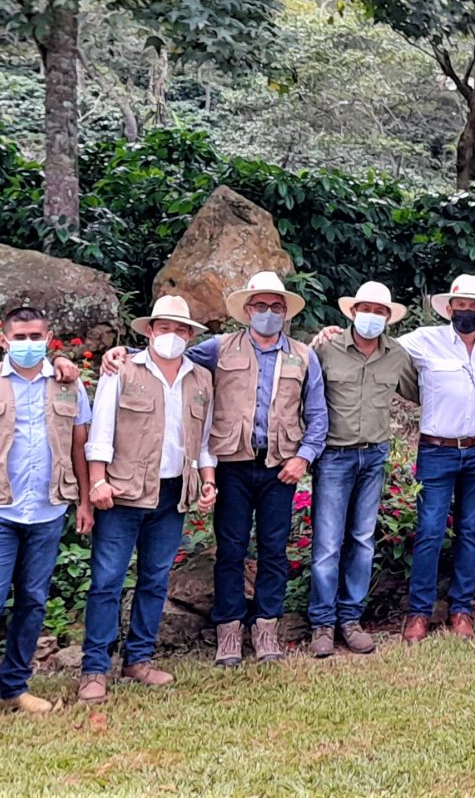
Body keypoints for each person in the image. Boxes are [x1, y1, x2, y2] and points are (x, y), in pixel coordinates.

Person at [0, 306, 93, 735]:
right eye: (20, 336)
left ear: (49, 338)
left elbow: (79, 445)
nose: (29, 343)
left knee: (32, 601)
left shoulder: (68, 384)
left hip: (48, 509)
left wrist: (84, 502)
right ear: (4, 340)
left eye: (37, 336)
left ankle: (14, 686)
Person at [76, 296, 218, 702]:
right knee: (106, 581)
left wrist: (208, 481)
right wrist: (97, 482)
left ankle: (139, 659)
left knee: (155, 581)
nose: (172, 336)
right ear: (150, 331)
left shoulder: (200, 380)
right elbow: (100, 431)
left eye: (180, 329)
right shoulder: (121, 370)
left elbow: (203, 439)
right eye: (164, 328)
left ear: (190, 335)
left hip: (172, 493)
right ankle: (95, 668)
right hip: (122, 493)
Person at [186, 271, 328, 665]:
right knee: (230, 549)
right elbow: (172, 359)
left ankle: (266, 627)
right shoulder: (219, 348)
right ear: (247, 310)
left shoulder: (303, 356)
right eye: (261, 306)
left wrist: (303, 457)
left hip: (279, 468)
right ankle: (229, 630)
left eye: (276, 307)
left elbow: (317, 415)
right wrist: (120, 356)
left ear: (286, 313)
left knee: (273, 550)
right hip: (231, 465)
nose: (268, 313)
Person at [395, 275, 475, 643]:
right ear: (449, 308)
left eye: (474, 306)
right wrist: (331, 337)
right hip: (437, 450)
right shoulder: (424, 339)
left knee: (470, 531)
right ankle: (419, 613)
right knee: (430, 531)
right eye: (460, 305)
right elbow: (379, 347)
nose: (467, 311)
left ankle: (461, 609)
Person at [307, 282, 418, 657]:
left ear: (388, 317)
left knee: (362, 540)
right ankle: (322, 624)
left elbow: (421, 391)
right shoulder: (326, 348)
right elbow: (297, 381)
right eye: (365, 309)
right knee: (326, 543)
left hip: (374, 456)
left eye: (380, 311)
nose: (372, 317)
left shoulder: (396, 355)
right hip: (333, 456)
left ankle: (350, 620)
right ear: (352, 312)